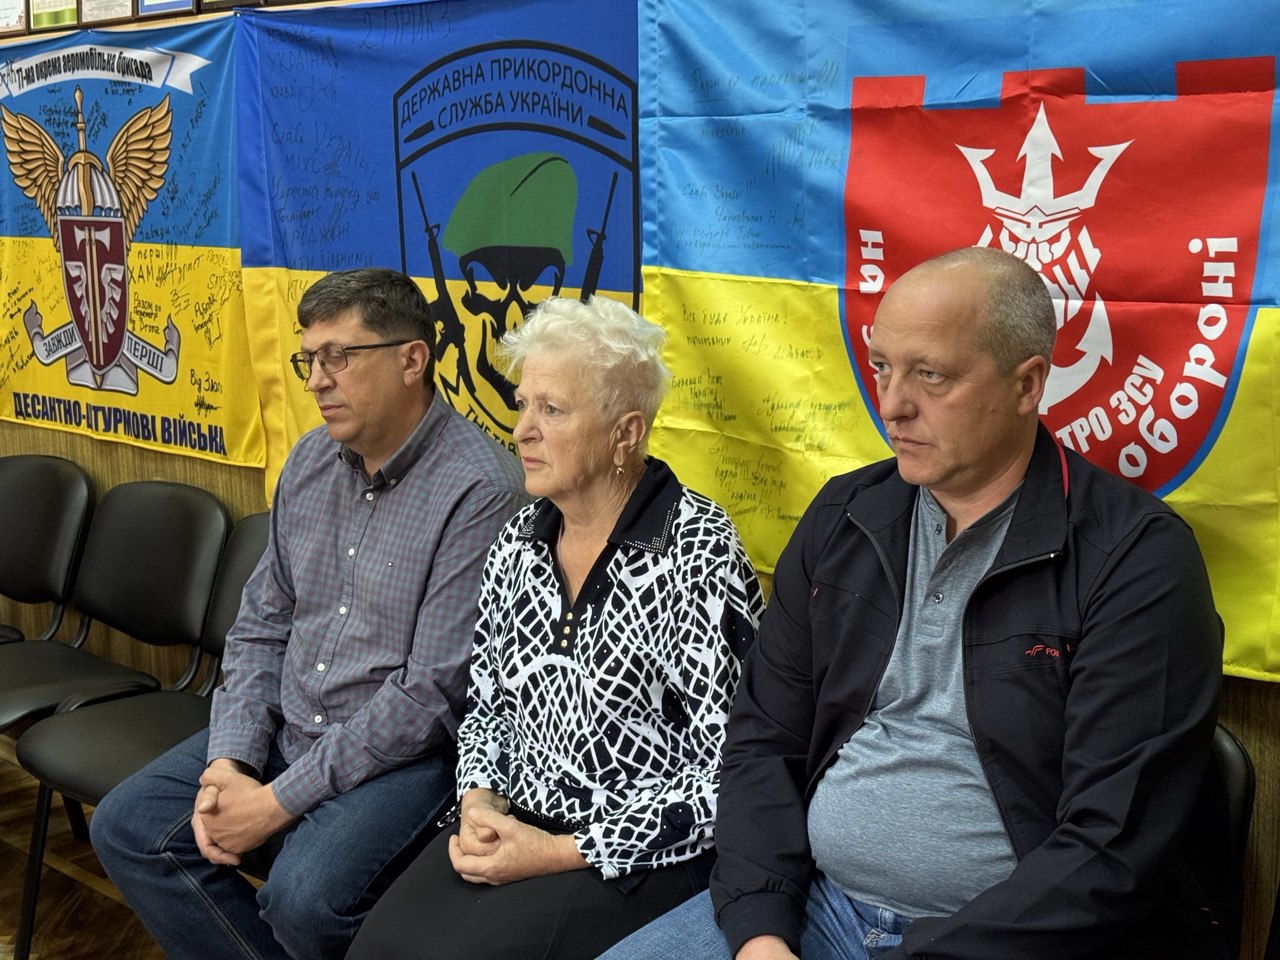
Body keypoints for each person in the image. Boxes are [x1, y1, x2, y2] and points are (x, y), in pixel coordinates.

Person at [599, 246, 1224, 960]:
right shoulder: (844, 517)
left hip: (1011, 942)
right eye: (881, 368)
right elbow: (763, 741)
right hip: (817, 906)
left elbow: (1108, 851)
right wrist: (761, 932)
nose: (892, 404)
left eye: (930, 375)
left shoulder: (1136, 559)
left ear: (1027, 385)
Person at [90, 268, 528, 960]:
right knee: (128, 825)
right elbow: (262, 624)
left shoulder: (481, 489)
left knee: (304, 901)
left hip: (403, 759)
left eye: (338, 357)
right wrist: (231, 761)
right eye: (308, 361)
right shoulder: (309, 461)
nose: (317, 380)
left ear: (412, 359)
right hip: (288, 726)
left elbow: (429, 696)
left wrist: (273, 803)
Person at [347, 295, 765, 960]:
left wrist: (556, 852)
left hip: (635, 856)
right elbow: (488, 707)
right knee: (376, 948)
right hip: (519, 822)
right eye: (522, 405)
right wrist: (479, 800)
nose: (522, 431)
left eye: (552, 410)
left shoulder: (696, 550)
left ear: (626, 432)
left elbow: (730, 773)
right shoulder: (520, 536)